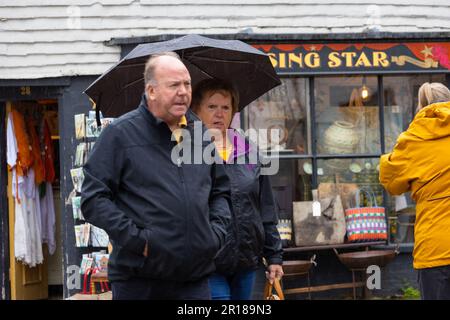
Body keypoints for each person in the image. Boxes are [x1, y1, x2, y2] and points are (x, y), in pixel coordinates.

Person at [81, 52, 231, 300]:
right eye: (174, 85)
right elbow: (93, 199)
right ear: (151, 91)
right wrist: (140, 241)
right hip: (140, 281)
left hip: (194, 279)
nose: (183, 91)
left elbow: (220, 191)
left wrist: (214, 235)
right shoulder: (120, 134)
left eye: (187, 84)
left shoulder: (200, 135)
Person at [191, 79, 283, 300]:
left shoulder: (249, 151)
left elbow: (265, 207)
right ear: (196, 110)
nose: (219, 114)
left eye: (225, 107)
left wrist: (274, 257)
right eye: (212, 107)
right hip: (207, 262)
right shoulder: (187, 152)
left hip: (246, 259)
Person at [379, 82, 450, 300]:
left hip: (435, 249)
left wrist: (388, 159)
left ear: (420, 105)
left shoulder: (413, 139)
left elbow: (391, 182)